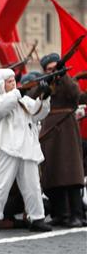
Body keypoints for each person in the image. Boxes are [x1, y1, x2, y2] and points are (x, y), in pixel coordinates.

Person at [0, 69, 52, 232]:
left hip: (26, 148)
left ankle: (37, 218)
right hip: (6, 147)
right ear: (0, 84)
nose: (13, 83)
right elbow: (1, 109)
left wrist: (45, 96)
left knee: (33, 186)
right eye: (9, 81)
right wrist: (19, 92)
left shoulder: (22, 99)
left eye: (14, 80)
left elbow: (38, 113)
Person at [38, 53, 85, 227]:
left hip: (66, 129)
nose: (52, 71)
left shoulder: (67, 81)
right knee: (53, 172)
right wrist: (42, 87)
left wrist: (63, 75)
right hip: (49, 129)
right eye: (49, 69)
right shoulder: (45, 82)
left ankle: (77, 214)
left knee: (71, 173)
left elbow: (75, 95)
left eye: (54, 68)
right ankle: (61, 213)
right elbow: (35, 100)